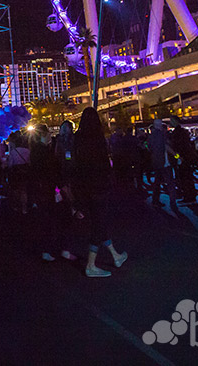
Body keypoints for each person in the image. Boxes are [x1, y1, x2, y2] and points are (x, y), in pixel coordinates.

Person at [73, 107, 127, 277]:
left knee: (99, 221)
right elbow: (104, 164)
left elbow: (75, 165)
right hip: (99, 187)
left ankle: (115, 255)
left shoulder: (77, 139)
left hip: (84, 187)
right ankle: (91, 265)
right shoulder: (98, 139)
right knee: (98, 224)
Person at [30, 127, 76, 263]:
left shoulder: (35, 151)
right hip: (49, 190)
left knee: (47, 221)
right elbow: (53, 172)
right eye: (49, 133)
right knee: (62, 218)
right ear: (44, 135)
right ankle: (63, 250)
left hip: (41, 191)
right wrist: (62, 188)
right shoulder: (45, 152)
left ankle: (48, 250)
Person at [148, 119, 177, 209]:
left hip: (156, 162)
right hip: (165, 162)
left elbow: (149, 148)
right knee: (170, 183)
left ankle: (155, 201)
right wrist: (177, 156)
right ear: (160, 125)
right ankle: (173, 202)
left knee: (157, 182)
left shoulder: (150, 136)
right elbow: (167, 147)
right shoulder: (162, 134)